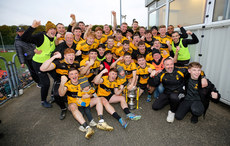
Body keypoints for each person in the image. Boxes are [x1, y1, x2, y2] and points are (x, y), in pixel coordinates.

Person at [21, 20, 57, 108]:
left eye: (54, 29)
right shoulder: (40, 36)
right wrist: (32, 27)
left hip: (48, 63)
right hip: (38, 64)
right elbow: (24, 38)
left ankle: (53, 95)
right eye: (51, 29)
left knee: (58, 77)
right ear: (47, 30)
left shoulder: (55, 38)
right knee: (46, 83)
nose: (53, 31)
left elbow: (51, 49)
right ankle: (43, 101)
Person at [40, 48, 80, 120]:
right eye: (69, 55)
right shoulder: (59, 62)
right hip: (60, 81)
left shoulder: (76, 63)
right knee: (56, 95)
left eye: (73, 55)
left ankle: (74, 104)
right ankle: (63, 108)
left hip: (72, 82)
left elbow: (82, 73)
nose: (72, 57)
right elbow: (42, 68)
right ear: (65, 56)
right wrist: (54, 57)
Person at [150, 57, 187, 123]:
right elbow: (154, 83)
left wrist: (203, 77)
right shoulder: (161, 73)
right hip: (167, 92)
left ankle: (172, 111)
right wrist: (152, 76)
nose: (170, 66)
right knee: (155, 107)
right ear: (164, 66)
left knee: (174, 97)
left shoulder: (181, 70)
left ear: (173, 64)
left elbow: (195, 70)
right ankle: (172, 102)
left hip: (178, 93)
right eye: (167, 65)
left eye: (171, 64)